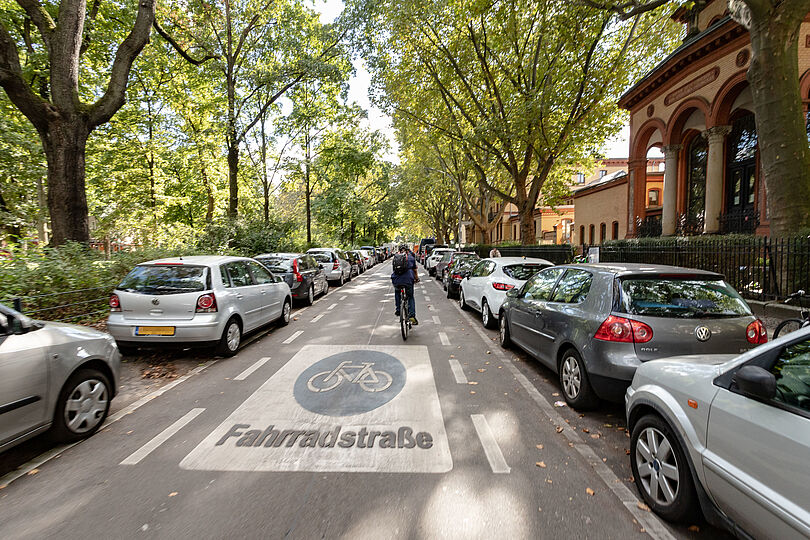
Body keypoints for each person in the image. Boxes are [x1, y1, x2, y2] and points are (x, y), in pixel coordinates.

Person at [391, 243, 419, 325]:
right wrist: (416, 279)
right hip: (408, 280)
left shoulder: (395, 257)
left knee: (397, 292)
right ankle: (412, 316)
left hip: (396, 280)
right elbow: (414, 270)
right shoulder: (411, 257)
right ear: (407, 250)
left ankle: (398, 309)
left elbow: (394, 269)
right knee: (410, 297)